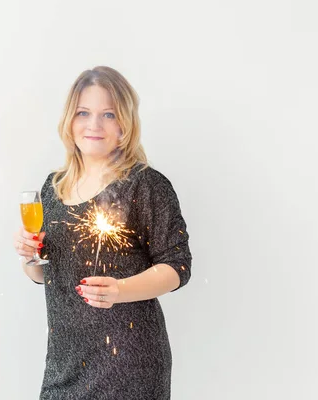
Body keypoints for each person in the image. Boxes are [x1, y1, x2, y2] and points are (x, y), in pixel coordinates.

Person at [13, 66, 192, 399]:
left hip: (128, 366)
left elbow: (178, 266)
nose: (93, 125)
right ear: (70, 120)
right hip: (63, 365)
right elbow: (43, 274)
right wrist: (29, 256)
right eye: (84, 113)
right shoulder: (52, 189)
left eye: (108, 114)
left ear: (125, 124)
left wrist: (120, 290)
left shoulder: (147, 185)